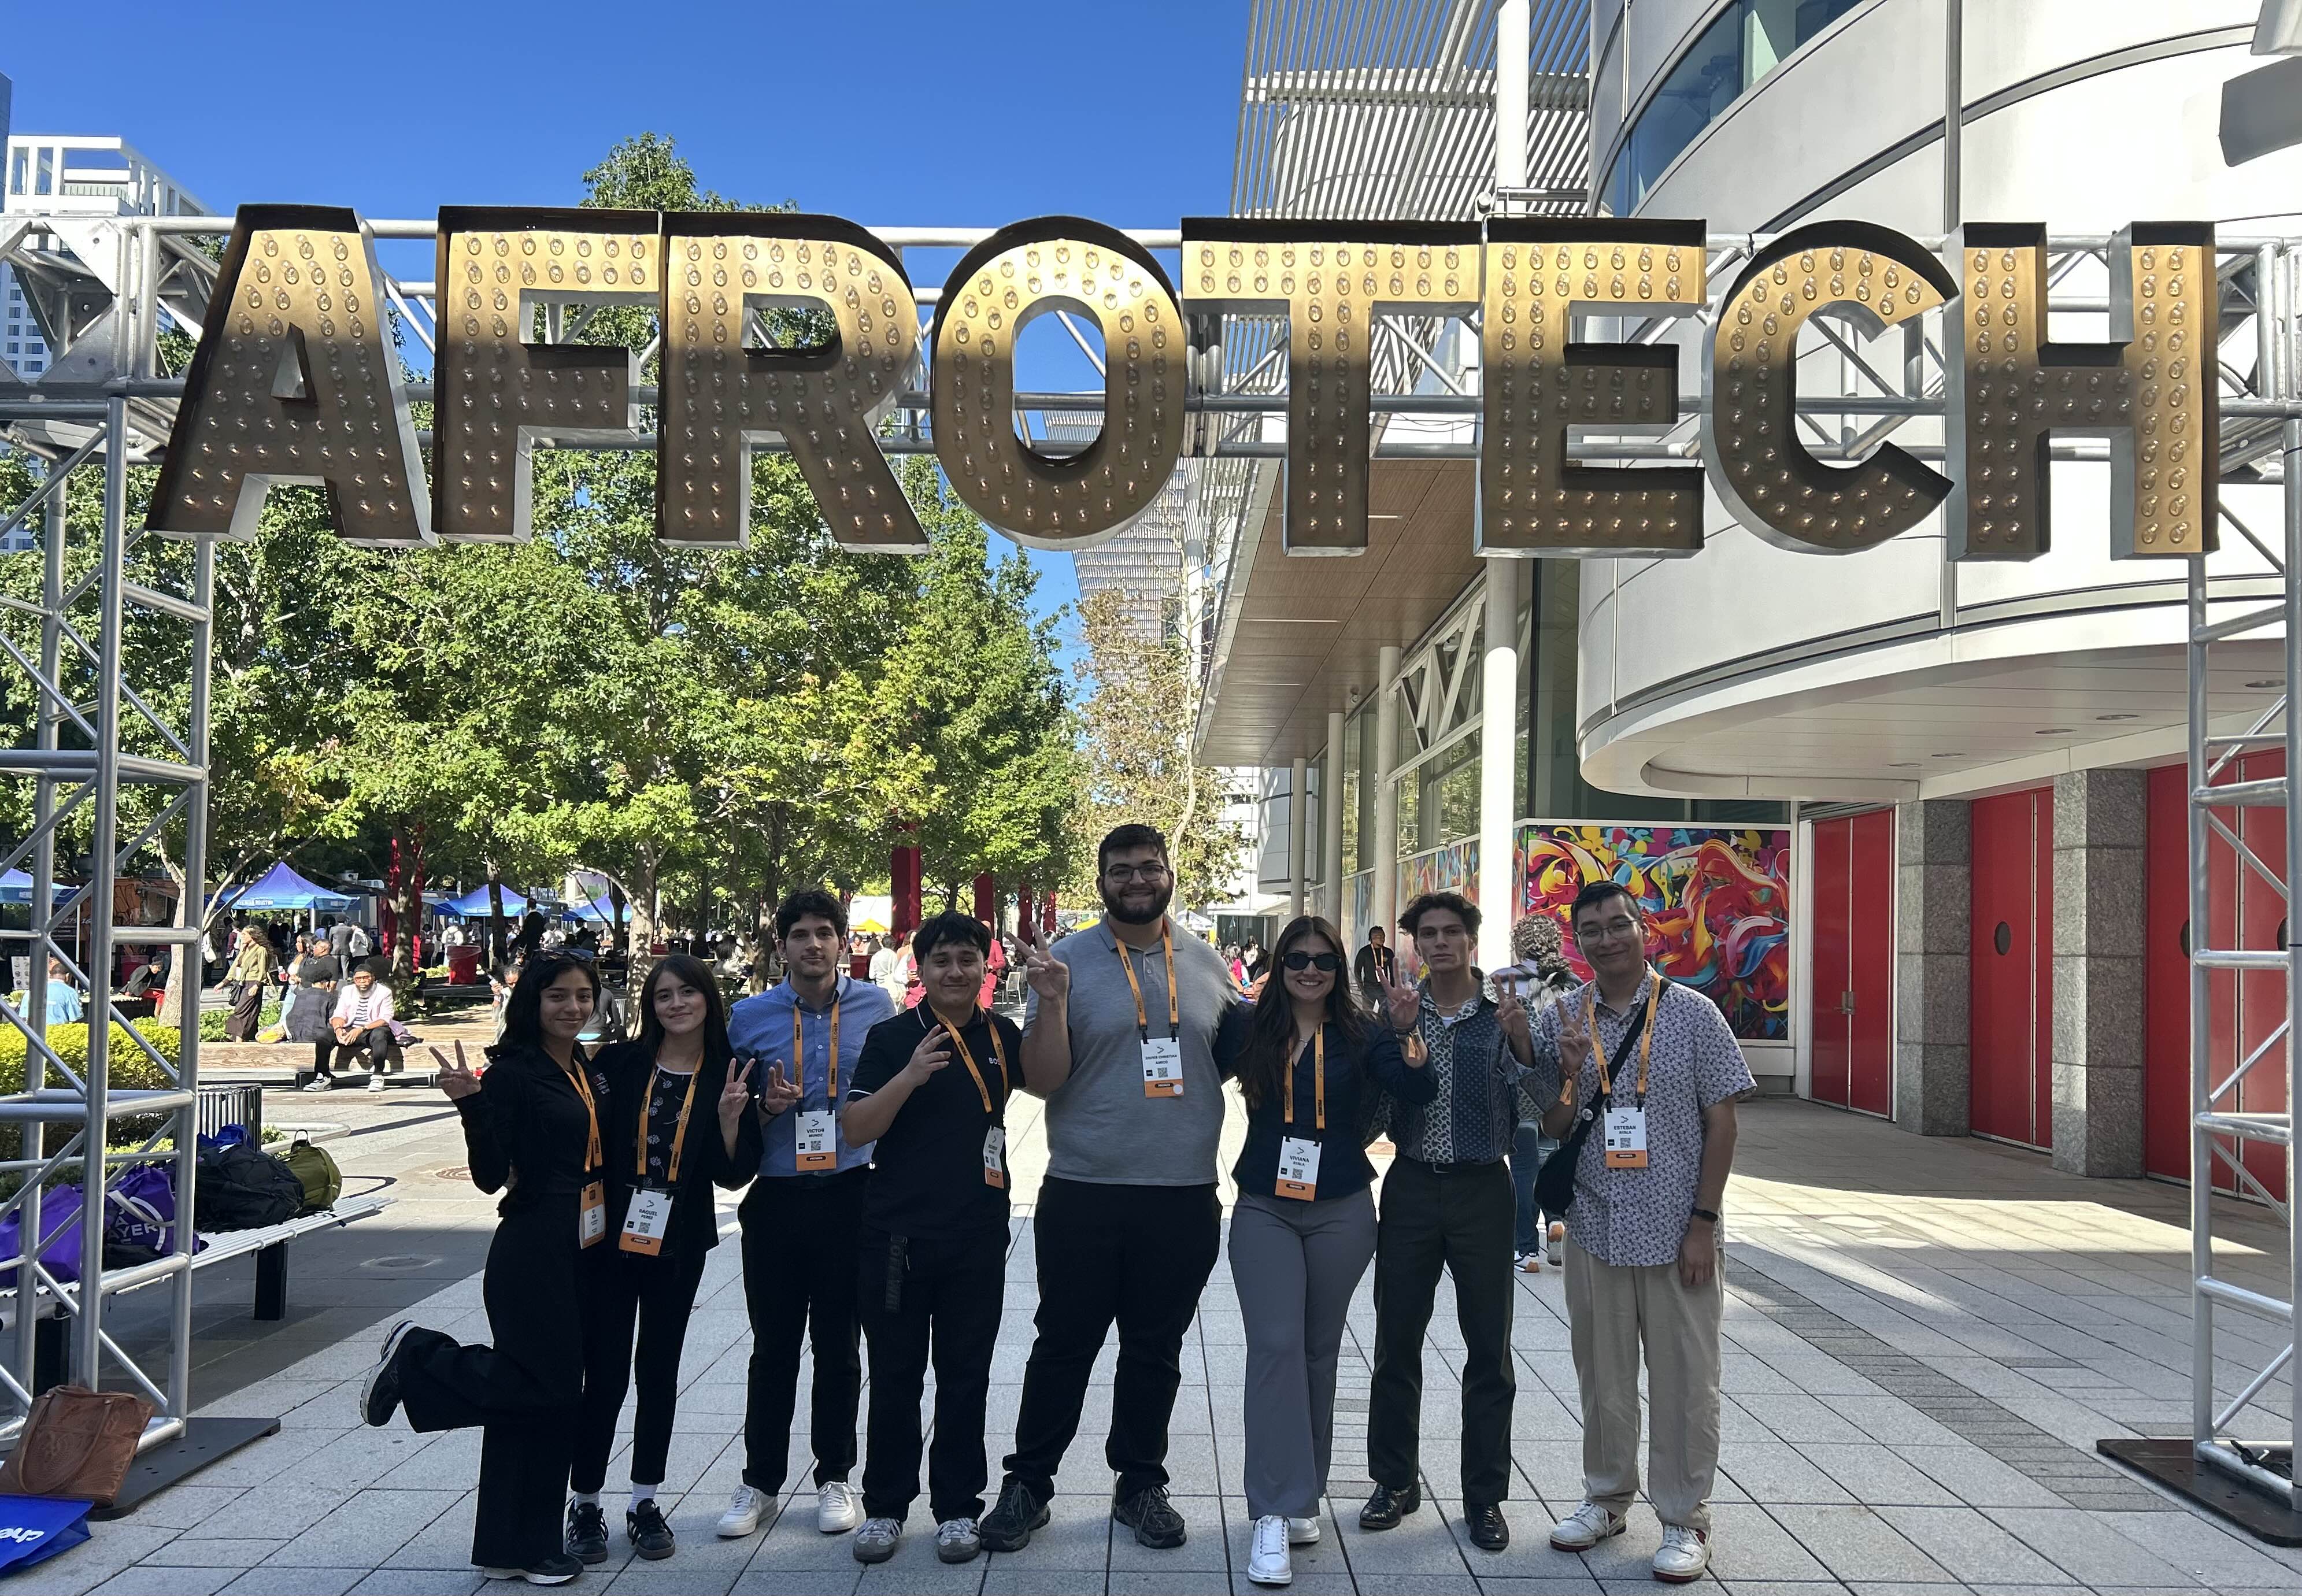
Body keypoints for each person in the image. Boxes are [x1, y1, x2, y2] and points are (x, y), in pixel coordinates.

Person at [979, 824, 1241, 1556]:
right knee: (1063, 1343)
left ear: (1168, 873)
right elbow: (1041, 1080)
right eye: (1121, 869)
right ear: (1102, 879)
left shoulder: (1207, 962)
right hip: (1083, 1187)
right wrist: (1054, 1004)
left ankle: (1140, 1485)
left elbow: (1221, 1058)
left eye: (1148, 867)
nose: (1136, 879)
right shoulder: (1062, 961)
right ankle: (1028, 1483)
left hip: (1182, 1190)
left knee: (1155, 1349)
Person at [357, 953, 610, 1586]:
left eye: (584, 996)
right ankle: (421, 1358)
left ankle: (513, 1546)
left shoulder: (581, 1066)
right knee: (551, 1390)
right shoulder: (514, 1073)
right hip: (533, 1245)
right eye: (559, 996)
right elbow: (489, 1175)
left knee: (534, 1396)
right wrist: (471, 1105)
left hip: (582, 1240)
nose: (573, 1008)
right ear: (532, 1001)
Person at [1533, 881, 1752, 1582]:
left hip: (1675, 1228)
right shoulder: (1565, 1014)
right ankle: (1605, 1496)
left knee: (1686, 1379)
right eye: (1590, 928)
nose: (1605, 938)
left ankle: (1685, 1517)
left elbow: (1723, 1120)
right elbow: (1554, 1127)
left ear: (1643, 929)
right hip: (1596, 1225)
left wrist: (1703, 1223)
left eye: (1617, 924)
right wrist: (1566, 1075)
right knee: (1602, 1376)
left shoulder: (1693, 1013)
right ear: (1578, 940)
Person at [1217, 915, 1434, 1588]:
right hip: (1263, 1206)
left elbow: (1414, 1091)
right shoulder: (1248, 1026)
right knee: (1275, 1346)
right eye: (1297, 959)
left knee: (1317, 1350)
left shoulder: (1361, 1033)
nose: (1310, 970)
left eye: (1323, 961)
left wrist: (1407, 1035)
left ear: (1340, 970)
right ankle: (1272, 1515)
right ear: (1278, 966)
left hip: (1341, 1207)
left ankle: (1301, 1491)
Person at [838, 911, 1024, 1567]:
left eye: (967, 959)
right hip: (896, 1238)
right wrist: (911, 1074)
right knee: (895, 1375)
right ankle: (886, 1506)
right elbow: (856, 1128)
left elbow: (1054, 1079)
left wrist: (1054, 1001)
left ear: (985, 966)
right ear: (921, 968)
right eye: (941, 959)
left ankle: (957, 1508)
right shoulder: (892, 1037)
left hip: (976, 1233)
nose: (955, 971)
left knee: (965, 1375)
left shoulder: (1002, 1034)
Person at [564, 953, 763, 1566]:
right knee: (604, 1371)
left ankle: (645, 1499)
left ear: (708, 998)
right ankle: (587, 1501)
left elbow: (733, 1175)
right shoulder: (621, 1062)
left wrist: (732, 1120)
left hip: (679, 1241)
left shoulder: (730, 1069)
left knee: (659, 1370)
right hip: (611, 1238)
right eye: (663, 996)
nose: (675, 1004)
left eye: (687, 993)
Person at [716, 890, 896, 1541]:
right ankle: (760, 1480)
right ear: (782, 944)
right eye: (801, 934)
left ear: (844, 941)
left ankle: (835, 1475)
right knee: (773, 1347)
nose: (813, 944)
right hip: (778, 1197)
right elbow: (728, 1109)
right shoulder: (748, 1017)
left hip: (853, 1191)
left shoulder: (877, 1007)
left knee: (840, 1346)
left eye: (825, 932)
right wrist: (765, 1106)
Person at [1361, 890, 1537, 1553]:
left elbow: (1541, 1102)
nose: (1439, 943)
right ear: (1413, 945)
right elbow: (1376, 1109)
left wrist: (1522, 1040)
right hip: (1409, 1187)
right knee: (1395, 1340)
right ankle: (1393, 1481)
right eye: (1427, 933)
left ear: (1470, 939)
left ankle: (1484, 1496)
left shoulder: (1504, 1014)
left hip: (1482, 1189)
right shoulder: (1399, 1012)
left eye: (1451, 932)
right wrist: (1395, 1033)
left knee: (1488, 1349)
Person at [1496, 915, 1579, 1273]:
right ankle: (1556, 1218)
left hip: (1521, 1088)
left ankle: (1525, 1248)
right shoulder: (1575, 984)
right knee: (1554, 1157)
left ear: (1520, 944)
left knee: (1524, 1166)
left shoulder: (1502, 980)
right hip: (1563, 1086)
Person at [313, 965, 395, 1093]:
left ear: (373, 977)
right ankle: (322, 1076)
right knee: (323, 1035)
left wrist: (361, 1029)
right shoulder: (347, 991)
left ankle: (378, 1075)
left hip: (372, 1028)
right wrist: (338, 1029)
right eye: (358, 979)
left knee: (380, 1034)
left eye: (366, 978)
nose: (362, 981)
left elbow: (385, 1019)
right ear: (354, 980)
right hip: (351, 1028)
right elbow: (339, 1014)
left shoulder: (384, 992)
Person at [282, 931, 339, 1047]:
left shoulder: (330, 961)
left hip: (316, 994)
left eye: (317, 947)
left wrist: (328, 994)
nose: (315, 948)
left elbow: (333, 982)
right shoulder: (307, 958)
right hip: (300, 991)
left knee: (314, 1018)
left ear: (324, 949)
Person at [222, 925, 274, 1041]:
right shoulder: (244, 949)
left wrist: (257, 985)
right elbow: (235, 966)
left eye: (245, 934)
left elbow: (262, 970)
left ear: (253, 936)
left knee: (241, 1010)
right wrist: (225, 982)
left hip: (253, 984)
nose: (242, 936)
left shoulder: (260, 950)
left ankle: (237, 1040)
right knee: (251, 1011)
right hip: (242, 983)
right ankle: (249, 1037)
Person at [1352, 925, 1396, 1014]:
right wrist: (1361, 987)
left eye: (1384, 937)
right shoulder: (1364, 952)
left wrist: (1392, 987)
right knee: (1367, 1014)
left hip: (1384, 988)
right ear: (1373, 938)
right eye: (1380, 937)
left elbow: (1393, 971)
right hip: (1369, 988)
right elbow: (1357, 970)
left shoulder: (1388, 952)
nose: (1383, 939)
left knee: (1386, 1013)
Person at [42, 956, 81, 1026]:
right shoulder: (70, 992)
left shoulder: (33, 991)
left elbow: (23, 1015)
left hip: (33, 1033)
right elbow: (75, 1018)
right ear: (68, 976)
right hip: (58, 1032)